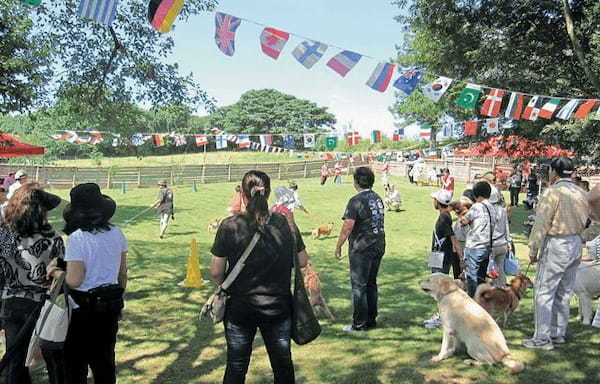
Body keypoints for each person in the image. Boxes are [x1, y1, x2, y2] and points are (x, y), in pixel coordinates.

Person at [210, 170, 309, 383]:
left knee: (236, 367)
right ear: (269, 193)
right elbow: (302, 261)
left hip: (239, 308)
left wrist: (226, 286)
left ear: (243, 196)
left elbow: (216, 271)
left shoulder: (229, 225)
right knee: (283, 366)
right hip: (277, 307)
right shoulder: (286, 223)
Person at [47, 183, 128, 384]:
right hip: (110, 305)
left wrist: (55, 272)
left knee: (75, 365)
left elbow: (75, 280)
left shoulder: (77, 238)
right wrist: (118, 298)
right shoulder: (117, 233)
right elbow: (122, 274)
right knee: (105, 363)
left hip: (83, 309)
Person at [0, 184, 65, 384]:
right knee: (49, 357)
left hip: (10, 302)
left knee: (15, 357)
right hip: (41, 305)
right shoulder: (52, 238)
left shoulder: (7, 235)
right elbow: (60, 275)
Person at [523, 157, 589, 350]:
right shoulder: (581, 192)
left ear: (554, 171)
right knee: (564, 291)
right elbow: (588, 221)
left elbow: (542, 222)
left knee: (544, 291)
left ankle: (542, 338)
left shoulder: (553, 192)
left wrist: (533, 248)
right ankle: (557, 333)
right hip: (576, 242)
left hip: (557, 243)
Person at [335, 167, 385, 331]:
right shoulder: (377, 198)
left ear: (356, 181)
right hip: (378, 244)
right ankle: (371, 319)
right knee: (371, 283)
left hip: (362, 247)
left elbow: (347, 226)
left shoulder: (356, 201)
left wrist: (339, 245)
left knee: (359, 286)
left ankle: (359, 324)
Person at [459, 181, 494, 297]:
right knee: (481, 278)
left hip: (474, 247)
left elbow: (464, 221)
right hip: (486, 247)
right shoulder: (492, 208)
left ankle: (473, 302)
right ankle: (481, 302)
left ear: (476, 194)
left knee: (472, 277)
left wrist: (461, 216)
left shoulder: (476, 207)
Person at [489, 188, 512, 288]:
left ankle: (492, 288)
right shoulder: (503, 211)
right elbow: (506, 226)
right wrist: (509, 241)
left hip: (492, 244)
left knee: (490, 268)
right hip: (502, 243)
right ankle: (501, 287)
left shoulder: (488, 210)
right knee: (500, 268)